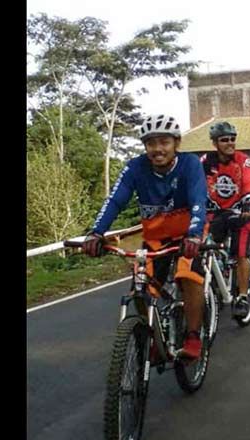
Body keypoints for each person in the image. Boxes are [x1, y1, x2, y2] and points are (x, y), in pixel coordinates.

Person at [82, 114, 207, 361]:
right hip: (155, 238)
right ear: (145, 147)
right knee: (141, 287)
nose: (158, 149)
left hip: (187, 235)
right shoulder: (135, 167)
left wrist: (193, 236)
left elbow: (198, 200)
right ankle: (153, 335)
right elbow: (115, 200)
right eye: (151, 143)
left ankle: (193, 335)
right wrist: (97, 232)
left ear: (176, 143)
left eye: (164, 142)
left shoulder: (190, 164)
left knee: (189, 275)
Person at [201, 121, 250, 319]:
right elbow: (196, 185)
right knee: (202, 245)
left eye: (232, 139)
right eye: (225, 140)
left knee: (240, 252)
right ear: (215, 143)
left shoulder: (243, 160)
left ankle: (242, 296)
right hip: (215, 212)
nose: (230, 143)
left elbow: (249, 183)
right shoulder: (206, 162)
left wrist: (249, 203)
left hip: (239, 211)